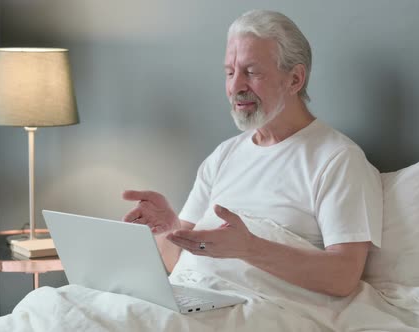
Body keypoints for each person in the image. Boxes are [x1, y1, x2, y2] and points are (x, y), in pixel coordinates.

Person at [122, 9, 382, 297]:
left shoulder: (337, 158)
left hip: (267, 309)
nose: (235, 87)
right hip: (196, 297)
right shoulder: (224, 156)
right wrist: (169, 228)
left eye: (251, 72)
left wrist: (250, 248)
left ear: (295, 79)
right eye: (230, 73)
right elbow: (175, 263)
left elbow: (343, 277)